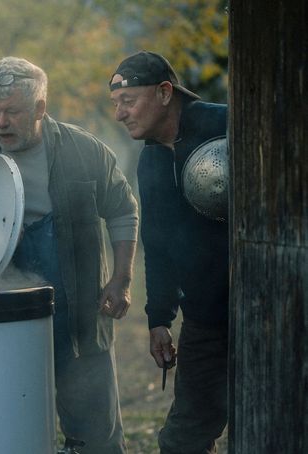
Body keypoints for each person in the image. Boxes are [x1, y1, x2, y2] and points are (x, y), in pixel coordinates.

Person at [0, 57, 139, 454]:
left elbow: (123, 210)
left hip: (81, 319)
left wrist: (121, 279)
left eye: (13, 112)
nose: (0, 123)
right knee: (9, 431)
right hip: (1, 323)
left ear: (39, 108)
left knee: (94, 435)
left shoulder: (84, 151)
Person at [109, 51, 228, 454]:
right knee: (182, 440)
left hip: (270, 306)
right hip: (206, 318)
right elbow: (157, 243)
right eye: (115, 105)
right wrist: (159, 318)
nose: (120, 114)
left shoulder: (227, 125)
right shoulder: (151, 161)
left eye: (128, 101)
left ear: (164, 93)